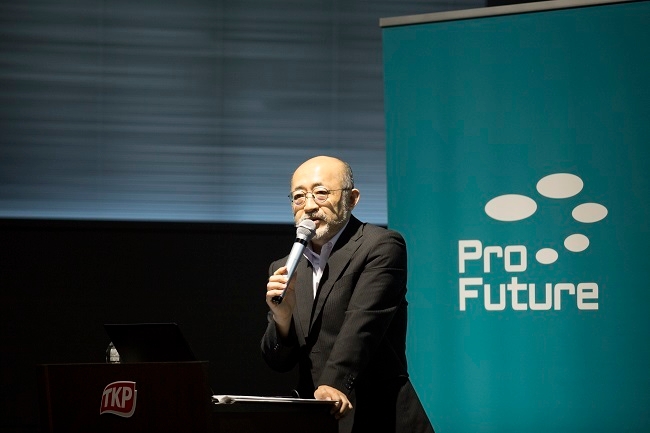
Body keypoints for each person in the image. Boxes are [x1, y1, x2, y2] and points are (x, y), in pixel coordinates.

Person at [261, 155, 434, 433]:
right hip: (318, 418)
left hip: (379, 415)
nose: (309, 206)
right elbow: (278, 361)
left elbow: (363, 324)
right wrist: (282, 317)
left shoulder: (381, 246)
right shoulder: (284, 267)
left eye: (321, 193)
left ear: (352, 199)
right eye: (299, 197)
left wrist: (332, 384)